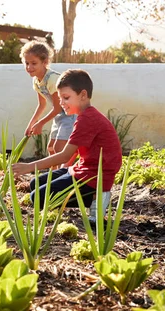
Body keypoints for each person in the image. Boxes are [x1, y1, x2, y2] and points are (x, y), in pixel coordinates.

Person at [12, 69, 122, 209]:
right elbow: (75, 151)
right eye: (59, 98)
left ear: (83, 95)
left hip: (93, 179)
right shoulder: (83, 116)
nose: (61, 103)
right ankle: (88, 194)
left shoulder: (87, 119)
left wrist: (28, 167)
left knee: (37, 197)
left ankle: (96, 197)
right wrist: (64, 175)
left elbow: (65, 156)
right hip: (82, 169)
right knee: (35, 183)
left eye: (66, 97)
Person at [20, 40, 76, 165]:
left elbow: (57, 108)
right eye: (26, 63)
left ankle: (66, 177)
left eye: (34, 63)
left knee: (60, 150)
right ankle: (53, 178)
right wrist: (31, 124)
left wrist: (40, 124)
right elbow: (42, 105)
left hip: (71, 115)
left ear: (45, 62)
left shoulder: (52, 79)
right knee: (51, 149)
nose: (29, 67)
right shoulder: (36, 81)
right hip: (60, 116)